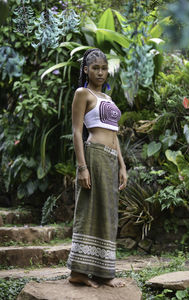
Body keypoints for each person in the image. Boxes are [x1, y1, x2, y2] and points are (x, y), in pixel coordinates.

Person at [67, 48, 127, 288]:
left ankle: (103, 273)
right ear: (86, 70)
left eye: (104, 68)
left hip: (111, 159)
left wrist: (123, 165)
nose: (100, 72)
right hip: (93, 156)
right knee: (89, 209)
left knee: (108, 214)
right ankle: (79, 273)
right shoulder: (83, 93)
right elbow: (76, 131)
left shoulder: (108, 99)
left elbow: (115, 134)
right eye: (95, 68)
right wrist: (82, 167)